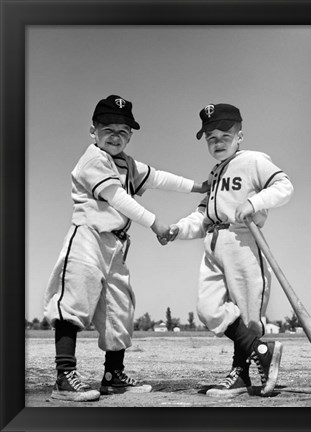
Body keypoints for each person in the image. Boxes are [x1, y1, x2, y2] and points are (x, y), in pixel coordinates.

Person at [43, 95, 208, 402]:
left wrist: (198, 186)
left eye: (123, 130)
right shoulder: (93, 159)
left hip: (116, 245)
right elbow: (117, 196)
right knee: (73, 302)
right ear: (93, 131)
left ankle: (112, 376)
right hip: (88, 238)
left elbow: (158, 177)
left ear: (130, 134)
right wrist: (155, 222)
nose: (116, 135)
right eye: (108, 128)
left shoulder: (126, 163)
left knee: (119, 308)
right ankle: (64, 376)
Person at [160, 103, 294, 397]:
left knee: (248, 313)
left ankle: (241, 375)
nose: (218, 142)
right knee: (208, 308)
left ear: (240, 135)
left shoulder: (253, 160)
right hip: (214, 240)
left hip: (243, 239)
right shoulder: (215, 172)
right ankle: (262, 351)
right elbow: (202, 215)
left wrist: (254, 203)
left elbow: (284, 186)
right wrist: (179, 229)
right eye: (211, 138)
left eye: (225, 135)